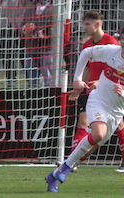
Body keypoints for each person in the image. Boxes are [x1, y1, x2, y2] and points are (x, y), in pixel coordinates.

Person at [46, 29, 124, 193]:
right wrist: (77, 79)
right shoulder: (112, 51)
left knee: (89, 150)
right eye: (123, 40)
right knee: (98, 134)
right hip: (98, 100)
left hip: (116, 111)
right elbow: (86, 52)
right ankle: (66, 168)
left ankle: (54, 175)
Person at [68, 11, 124, 171]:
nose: (84, 27)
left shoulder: (112, 43)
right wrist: (80, 85)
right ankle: (72, 162)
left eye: (87, 24)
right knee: (83, 122)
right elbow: (87, 67)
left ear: (97, 24)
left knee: (117, 126)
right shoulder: (87, 45)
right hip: (92, 92)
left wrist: (101, 82)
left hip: (109, 92)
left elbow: (113, 69)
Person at [23, 0, 54, 87]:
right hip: (31, 48)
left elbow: (56, 28)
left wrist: (44, 34)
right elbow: (22, 25)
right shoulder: (30, 8)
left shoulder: (53, 9)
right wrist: (26, 29)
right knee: (32, 82)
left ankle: (49, 97)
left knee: (48, 80)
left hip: (46, 49)